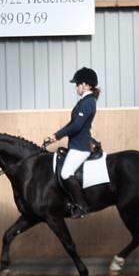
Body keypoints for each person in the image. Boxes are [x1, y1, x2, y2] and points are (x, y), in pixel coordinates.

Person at [45, 67, 100, 219]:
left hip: (81, 146)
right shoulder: (84, 101)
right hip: (76, 145)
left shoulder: (89, 102)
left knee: (66, 172)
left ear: (86, 85)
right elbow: (72, 123)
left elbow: (77, 126)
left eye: (77, 84)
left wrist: (58, 135)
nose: (76, 87)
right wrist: (55, 135)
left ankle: (81, 205)